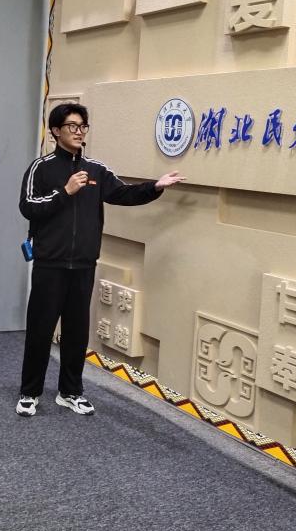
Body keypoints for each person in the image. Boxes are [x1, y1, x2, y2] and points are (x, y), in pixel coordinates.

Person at [16, 103, 185, 417]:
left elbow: (123, 194)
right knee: (40, 330)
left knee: (77, 333)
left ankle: (70, 391)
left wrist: (155, 187)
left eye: (83, 126)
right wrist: (65, 192)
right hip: (49, 264)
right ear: (55, 131)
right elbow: (28, 206)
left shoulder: (96, 170)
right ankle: (30, 392)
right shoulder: (41, 167)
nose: (79, 132)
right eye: (72, 126)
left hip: (83, 265)